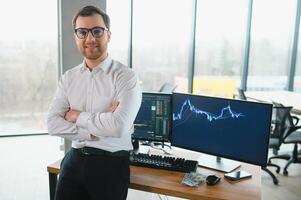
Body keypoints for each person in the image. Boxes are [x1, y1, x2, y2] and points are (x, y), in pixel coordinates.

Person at [47, 5, 141, 200]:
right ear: (76, 37)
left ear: (108, 35)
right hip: (73, 160)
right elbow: (52, 123)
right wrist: (90, 131)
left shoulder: (125, 77)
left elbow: (118, 126)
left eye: (97, 31)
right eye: (82, 32)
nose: (90, 38)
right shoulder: (69, 78)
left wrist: (76, 116)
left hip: (111, 166)